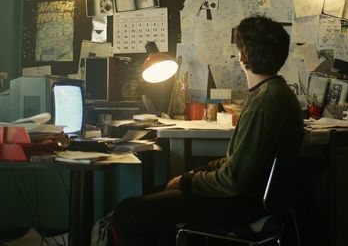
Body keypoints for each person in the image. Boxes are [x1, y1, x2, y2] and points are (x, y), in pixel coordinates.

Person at [111, 16, 304, 245]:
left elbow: (234, 181)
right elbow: (240, 162)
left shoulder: (264, 103)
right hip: (255, 198)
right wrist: (192, 175)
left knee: (128, 212)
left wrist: (187, 181)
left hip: (243, 204)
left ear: (242, 56)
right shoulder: (277, 93)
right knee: (154, 195)